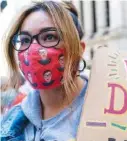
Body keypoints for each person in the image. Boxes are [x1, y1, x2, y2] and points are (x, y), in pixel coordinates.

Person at [0, 1, 88, 140]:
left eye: (49, 37)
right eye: (25, 40)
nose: (33, 49)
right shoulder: (11, 121)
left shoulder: (111, 109)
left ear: (79, 50)